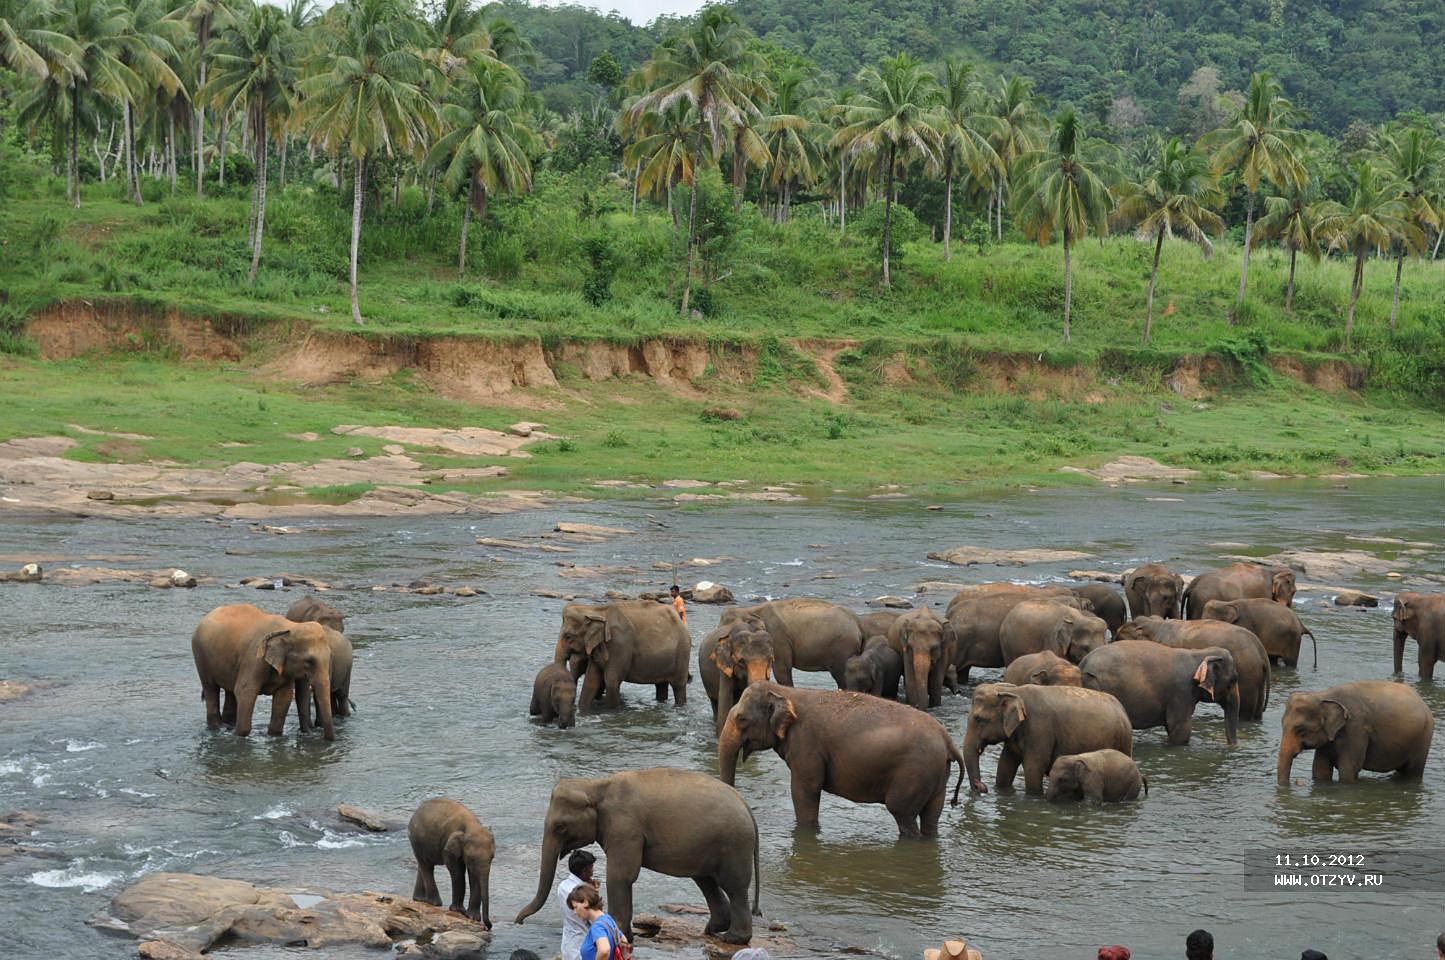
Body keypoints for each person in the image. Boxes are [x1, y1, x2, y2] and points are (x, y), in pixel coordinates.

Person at [567, 883, 629, 960]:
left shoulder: (597, 927)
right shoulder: (608, 919)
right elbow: (624, 940)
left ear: (586, 902)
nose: (575, 912)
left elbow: (604, 950)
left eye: (575, 907)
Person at [556, 849, 596, 960]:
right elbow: (594, 918)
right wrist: (593, 892)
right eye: (591, 868)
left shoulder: (562, 886)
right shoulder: (582, 892)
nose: (592, 872)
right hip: (582, 943)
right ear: (584, 871)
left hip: (568, 940)